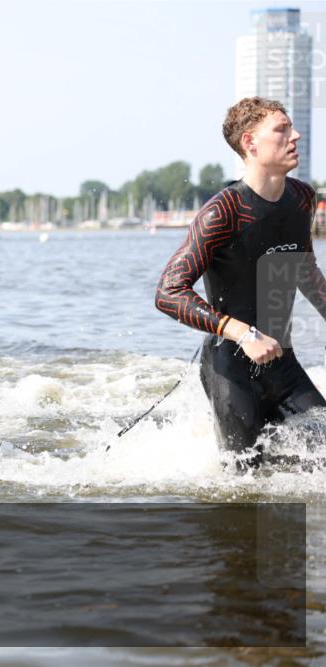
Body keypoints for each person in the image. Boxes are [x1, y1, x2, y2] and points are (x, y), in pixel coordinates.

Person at [155, 97, 326, 468]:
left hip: (284, 366)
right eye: (281, 129)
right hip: (230, 369)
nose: (295, 135)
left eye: (291, 127)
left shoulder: (301, 199)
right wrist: (245, 335)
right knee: (242, 480)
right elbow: (169, 292)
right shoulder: (224, 211)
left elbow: (305, 272)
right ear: (250, 143)